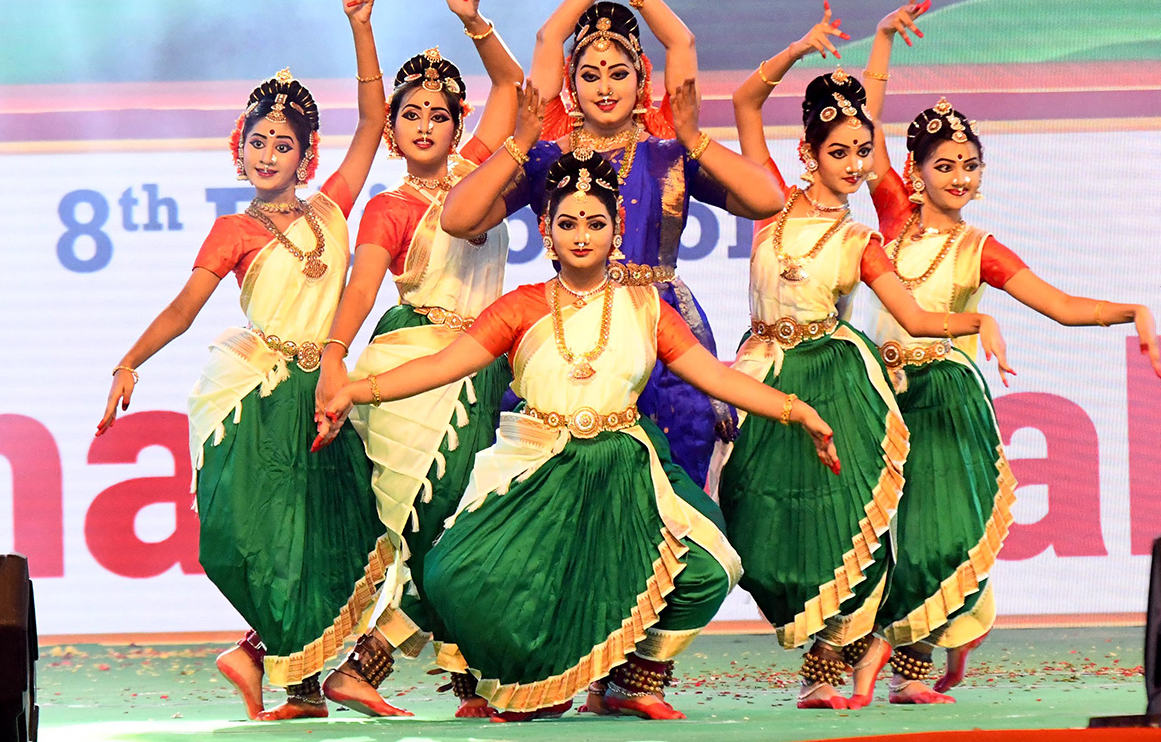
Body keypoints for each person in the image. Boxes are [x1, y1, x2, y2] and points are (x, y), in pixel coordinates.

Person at [316, 136, 837, 721]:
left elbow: (714, 376)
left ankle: (634, 681)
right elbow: (440, 367)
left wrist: (797, 410)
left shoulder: (646, 308)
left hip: (625, 468)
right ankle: (421, 669)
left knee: (711, 567)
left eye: (595, 221)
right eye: (568, 222)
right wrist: (354, 390)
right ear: (547, 229)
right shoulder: (520, 307)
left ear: (617, 229)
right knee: (450, 571)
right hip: (537, 463)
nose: (582, 233)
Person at [97, 0, 389, 721]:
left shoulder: (333, 208)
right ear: (240, 149)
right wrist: (131, 360)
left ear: (305, 156)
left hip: (323, 391)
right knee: (270, 540)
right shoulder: (233, 231)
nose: (268, 154)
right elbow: (184, 309)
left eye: (283, 144)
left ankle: (272, 667)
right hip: (265, 400)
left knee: (339, 531)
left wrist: (361, 27)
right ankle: (288, 682)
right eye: (257, 141)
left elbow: (374, 122)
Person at [855, 0, 1161, 703]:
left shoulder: (981, 249)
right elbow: (866, 125)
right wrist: (879, 40)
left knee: (940, 535)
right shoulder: (893, 219)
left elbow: (1059, 306)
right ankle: (912, 661)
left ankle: (895, 662)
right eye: (945, 164)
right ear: (916, 171)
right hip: (884, 398)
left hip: (947, 399)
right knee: (884, 537)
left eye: (970, 164)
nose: (960, 176)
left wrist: (1131, 310)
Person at [439, 0, 786, 486]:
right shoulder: (550, 158)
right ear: (571, 85)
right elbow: (459, 218)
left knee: (664, 500)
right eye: (590, 74)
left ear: (640, 77)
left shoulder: (669, 153)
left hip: (658, 333)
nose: (605, 86)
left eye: (619, 73)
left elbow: (768, 199)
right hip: (567, 326)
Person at [718, 40, 1012, 710]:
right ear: (807, 153)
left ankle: (827, 668)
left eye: (863, 152)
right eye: (840, 151)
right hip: (761, 372)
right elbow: (744, 102)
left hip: (838, 383)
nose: (855, 166)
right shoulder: (770, 202)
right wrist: (797, 48)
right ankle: (833, 648)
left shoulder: (862, 240)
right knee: (754, 529)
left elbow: (910, 311)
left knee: (845, 529)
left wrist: (974, 324)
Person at [312, 0, 522, 719]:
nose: (425, 125)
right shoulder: (389, 208)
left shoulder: (480, 175)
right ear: (394, 131)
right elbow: (362, 289)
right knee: (436, 527)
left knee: (473, 526)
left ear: (457, 125)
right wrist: (334, 363)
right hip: (415, 367)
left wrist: (474, 22)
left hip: (485, 367)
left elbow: (511, 88)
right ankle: (377, 668)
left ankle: (462, 682)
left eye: (439, 114)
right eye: (411, 115)